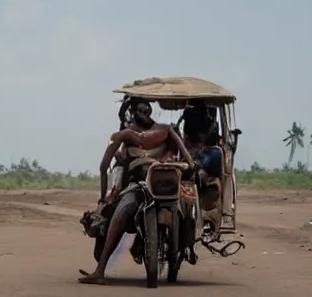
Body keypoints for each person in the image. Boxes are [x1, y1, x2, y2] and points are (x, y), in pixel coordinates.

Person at [78, 99, 196, 285]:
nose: (145, 112)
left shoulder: (166, 130)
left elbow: (187, 158)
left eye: (147, 108)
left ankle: (183, 252)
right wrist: (103, 198)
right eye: (140, 109)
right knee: (121, 212)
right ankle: (100, 269)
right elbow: (104, 167)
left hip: (167, 185)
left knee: (188, 212)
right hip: (137, 186)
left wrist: (187, 164)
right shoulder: (125, 135)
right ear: (132, 112)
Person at [180, 100, 223, 185]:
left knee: (216, 154)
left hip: (201, 155)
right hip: (191, 155)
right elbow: (186, 142)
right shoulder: (188, 125)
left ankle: (206, 178)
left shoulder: (209, 126)